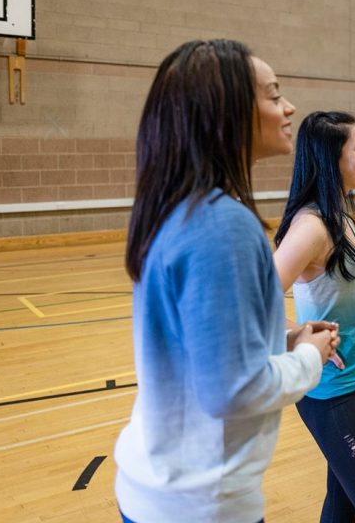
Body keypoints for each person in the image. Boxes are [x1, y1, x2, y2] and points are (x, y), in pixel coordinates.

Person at [114, 39, 339, 523]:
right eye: (273, 95)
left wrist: (282, 339)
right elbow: (232, 390)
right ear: (227, 112)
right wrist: (308, 356)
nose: (289, 107)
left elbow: (203, 349)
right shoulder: (221, 225)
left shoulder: (178, 208)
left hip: (161, 490)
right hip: (199, 503)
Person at [273, 111, 355, 523]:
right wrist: (299, 334)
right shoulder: (311, 227)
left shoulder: (342, 217)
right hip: (331, 395)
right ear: (332, 158)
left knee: (342, 502)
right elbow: (252, 302)